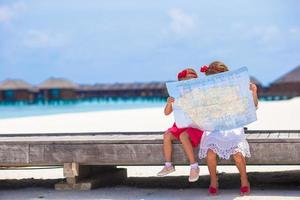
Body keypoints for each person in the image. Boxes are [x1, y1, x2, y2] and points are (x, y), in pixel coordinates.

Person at [199, 61, 258, 196]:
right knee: (210, 153)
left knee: (237, 154)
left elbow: (253, 107)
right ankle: (214, 180)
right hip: (216, 127)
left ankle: (244, 179)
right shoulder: (208, 92)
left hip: (233, 126)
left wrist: (253, 92)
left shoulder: (235, 89)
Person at [157, 68, 204, 182]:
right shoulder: (177, 95)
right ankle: (168, 165)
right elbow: (166, 113)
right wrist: (169, 103)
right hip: (181, 125)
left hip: (196, 127)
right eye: (184, 81)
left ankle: (194, 166)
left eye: (190, 81)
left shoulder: (200, 94)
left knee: (183, 136)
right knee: (167, 135)